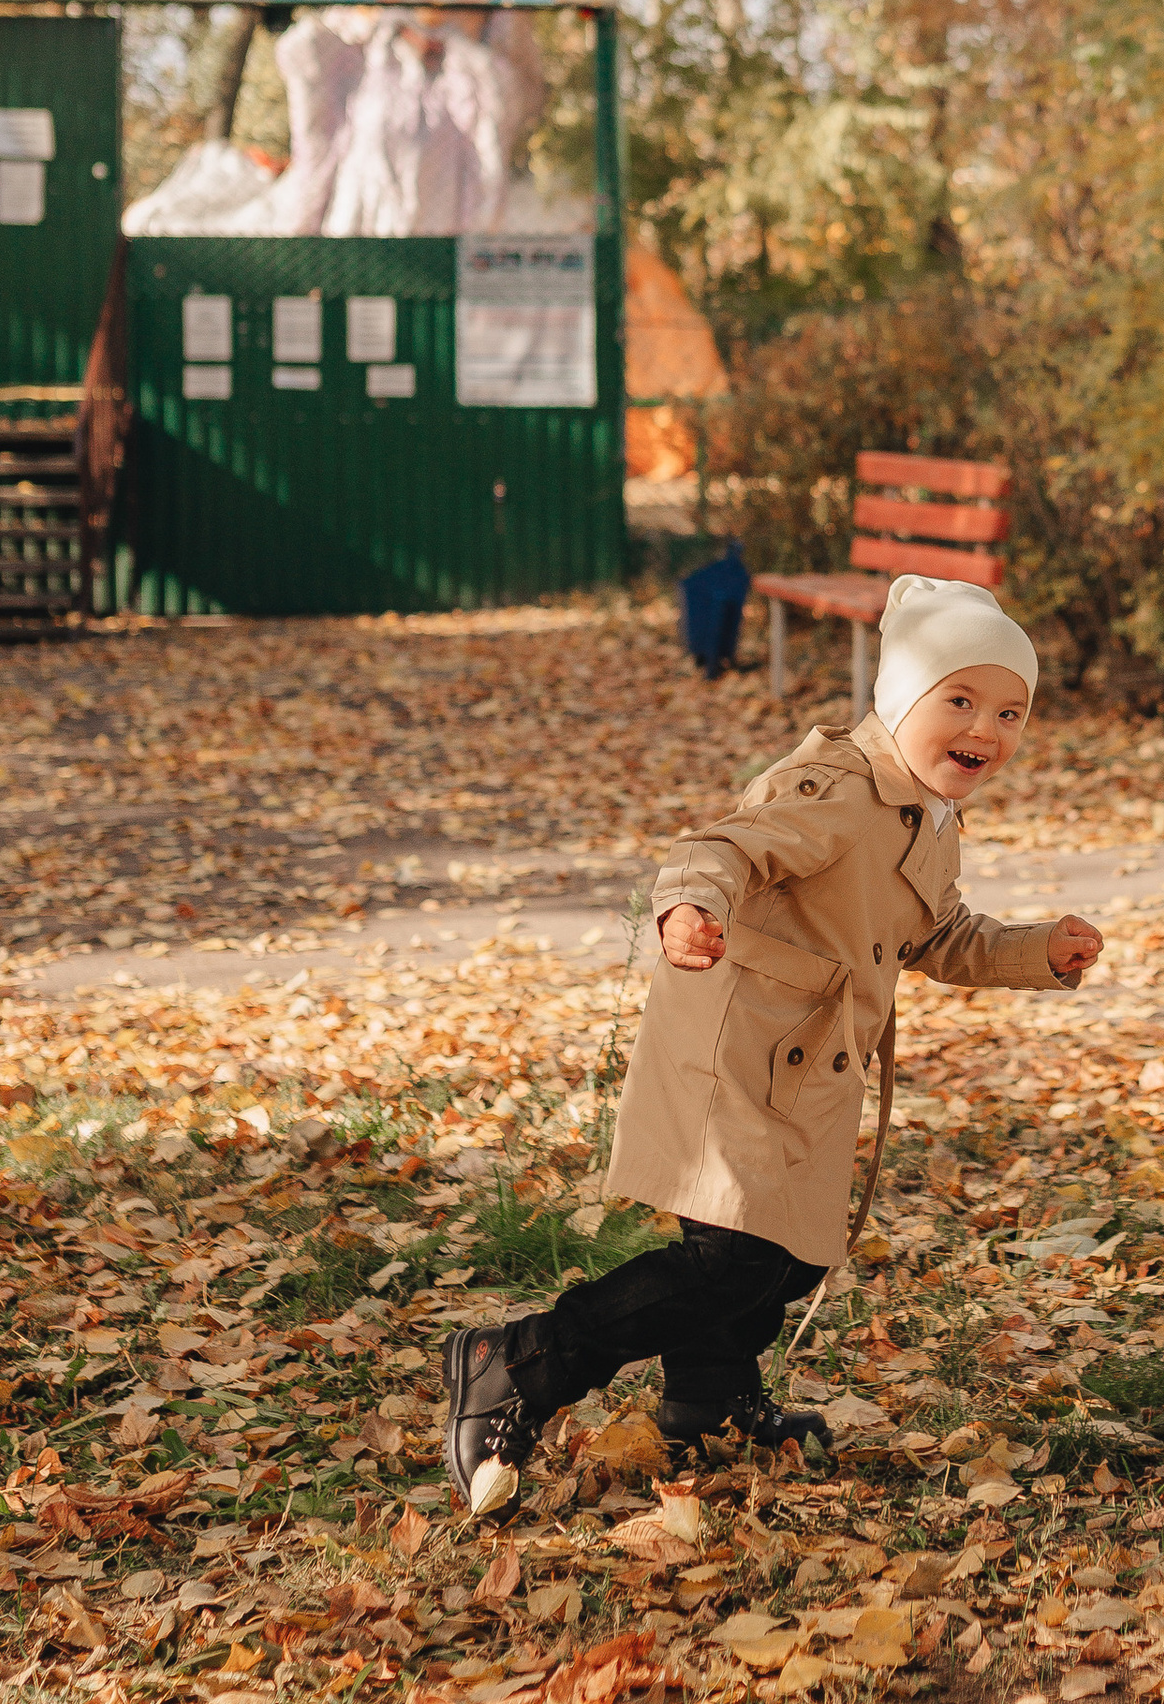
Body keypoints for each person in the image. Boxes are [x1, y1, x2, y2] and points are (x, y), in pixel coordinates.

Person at [442, 573, 1103, 1517]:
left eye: (1009, 710)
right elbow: (726, 845)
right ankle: (518, 1360)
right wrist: (689, 905)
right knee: (737, 1257)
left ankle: (707, 1395)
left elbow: (938, 933)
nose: (985, 729)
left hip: (802, 1064)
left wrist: (1036, 950)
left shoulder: (926, 812)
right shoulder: (835, 790)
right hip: (739, 1047)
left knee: (790, 1252)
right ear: (899, 697)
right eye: (959, 699)